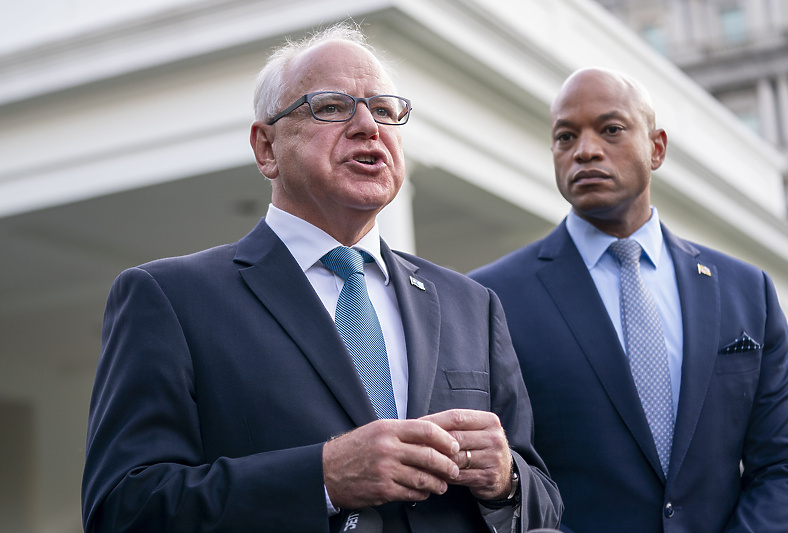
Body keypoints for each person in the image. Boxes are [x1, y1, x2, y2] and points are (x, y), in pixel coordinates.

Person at [81, 24, 562, 533]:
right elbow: (123, 509)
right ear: (265, 147)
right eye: (331, 107)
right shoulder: (171, 299)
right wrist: (322, 478)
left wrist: (507, 479)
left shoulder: (473, 304)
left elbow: (545, 505)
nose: (367, 127)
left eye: (383, 110)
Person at [470, 67, 788, 532]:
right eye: (566, 137)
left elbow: (786, 462)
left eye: (610, 129)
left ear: (657, 147)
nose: (585, 150)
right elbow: (497, 480)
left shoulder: (748, 292)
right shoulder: (490, 299)